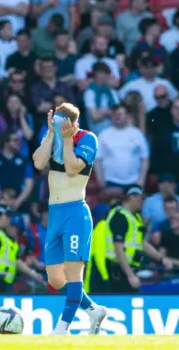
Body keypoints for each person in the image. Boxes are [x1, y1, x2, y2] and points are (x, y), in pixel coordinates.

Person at [31, 103, 106, 335]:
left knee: (74, 274)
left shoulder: (88, 139)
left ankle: (61, 329)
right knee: (55, 279)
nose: (57, 127)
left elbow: (73, 168)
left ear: (73, 124)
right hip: (55, 214)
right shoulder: (54, 135)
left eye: (61, 124)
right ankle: (93, 310)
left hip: (75, 213)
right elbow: (38, 162)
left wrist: (64, 140)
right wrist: (51, 134)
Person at [86, 186, 174, 294]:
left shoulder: (134, 218)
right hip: (117, 272)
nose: (143, 201)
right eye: (141, 198)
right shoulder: (120, 217)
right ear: (132, 197)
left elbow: (141, 243)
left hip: (127, 270)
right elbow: (118, 249)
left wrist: (161, 259)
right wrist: (130, 276)